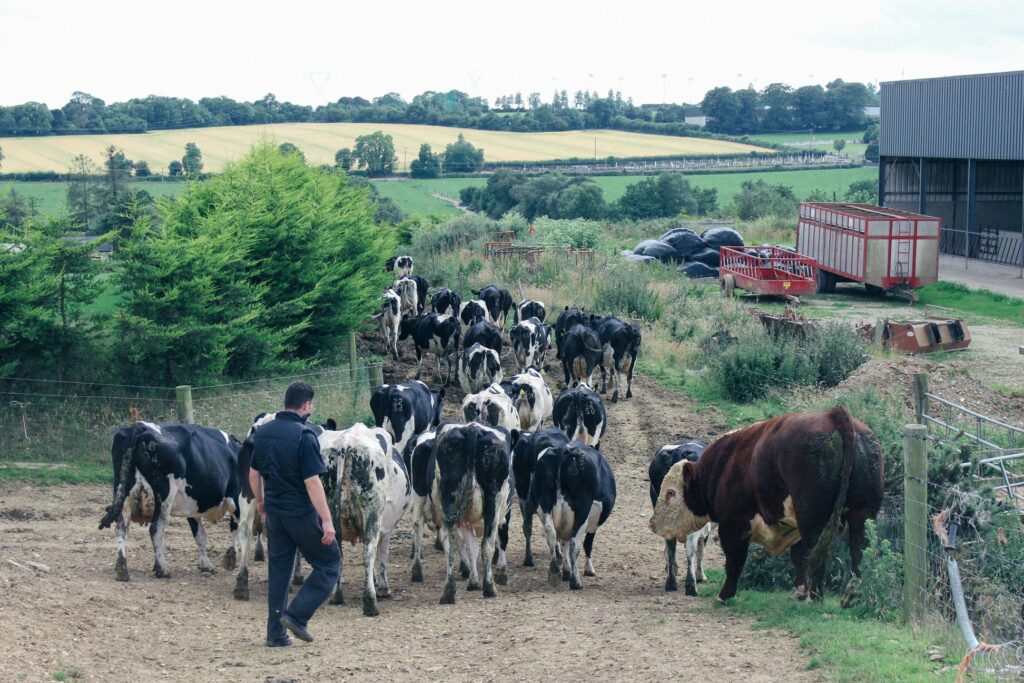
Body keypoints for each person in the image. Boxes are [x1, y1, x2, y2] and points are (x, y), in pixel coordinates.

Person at [249, 381, 339, 647]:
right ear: (306, 405)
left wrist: (260, 503)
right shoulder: (304, 436)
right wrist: (326, 519)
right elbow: (312, 482)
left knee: (279, 572)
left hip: (274, 514)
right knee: (329, 563)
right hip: (299, 513)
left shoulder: (263, 433)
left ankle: (274, 634)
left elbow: (254, 473)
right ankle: (297, 617)